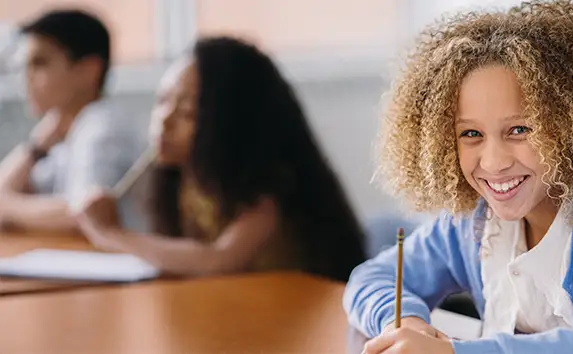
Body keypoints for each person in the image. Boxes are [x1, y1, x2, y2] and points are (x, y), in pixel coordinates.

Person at [344, 1, 573, 353]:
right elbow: (369, 280)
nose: (493, 162)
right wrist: (412, 326)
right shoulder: (475, 221)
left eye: (520, 130)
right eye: (470, 134)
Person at [73, 36, 367, 282]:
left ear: (233, 124)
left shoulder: (269, 189)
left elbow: (219, 261)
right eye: (162, 101)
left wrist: (113, 235)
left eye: (187, 112)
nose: (164, 121)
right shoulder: (182, 180)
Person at [0, 9, 146, 232]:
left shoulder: (102, 125)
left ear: (89, 70)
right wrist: (35, 147)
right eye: (24, 66)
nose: (26, 78)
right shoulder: (59, 131)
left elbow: (84, 214)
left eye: (40, 63)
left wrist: (9, 207)